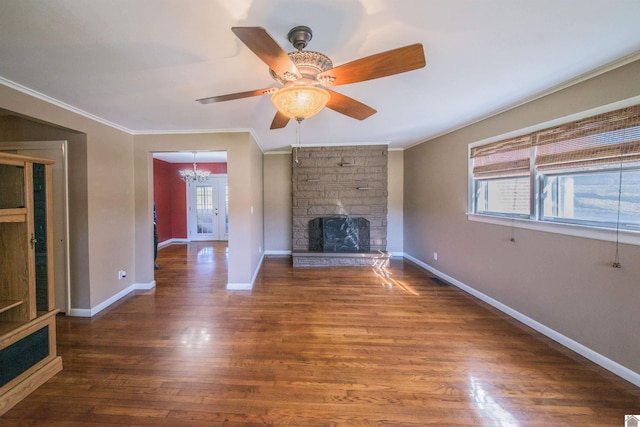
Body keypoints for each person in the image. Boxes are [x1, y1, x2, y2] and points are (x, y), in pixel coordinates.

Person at [154, 202, 160, 270]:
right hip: (152, 225)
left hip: (153, 224)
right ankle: (152, 263)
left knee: (155, 244)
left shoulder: (151, 203)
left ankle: (153, 262)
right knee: (154, 244)